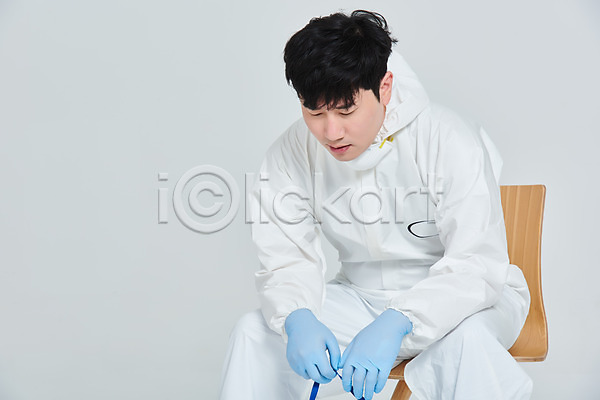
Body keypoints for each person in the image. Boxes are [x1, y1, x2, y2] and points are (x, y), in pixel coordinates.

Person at [219, 10, 533, 400]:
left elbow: (477, 264)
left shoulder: (446, 138)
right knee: (253, 333)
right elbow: (286, 255)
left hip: (465, 301)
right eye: (315, 112)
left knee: (468, 343)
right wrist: (296, 314)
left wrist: (401, 319)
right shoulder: (292, 152)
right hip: (360, 298)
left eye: (346, 110)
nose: (331, 132)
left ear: (384, 87)